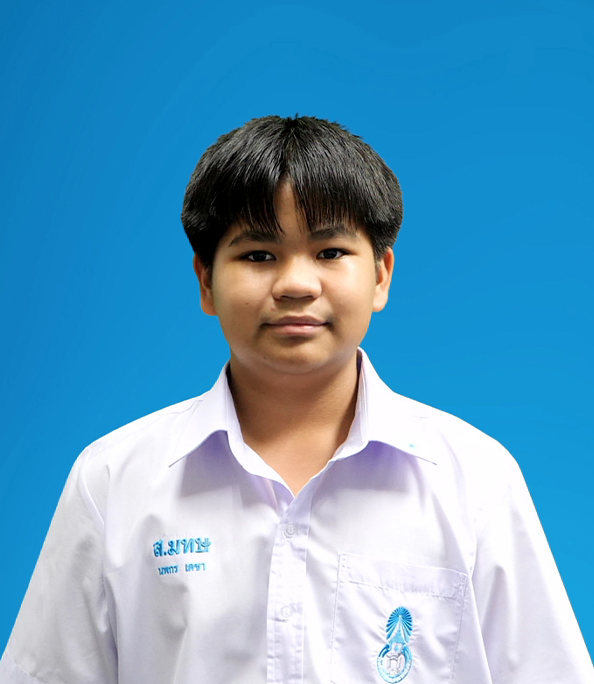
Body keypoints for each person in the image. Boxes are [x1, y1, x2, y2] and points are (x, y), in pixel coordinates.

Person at [1, 115, 592, 684]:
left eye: (330, 252)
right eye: (258, 255)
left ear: (381, 275)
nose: (296, 285)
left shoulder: (475, 480)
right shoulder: (113, 481)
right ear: (206, 281)